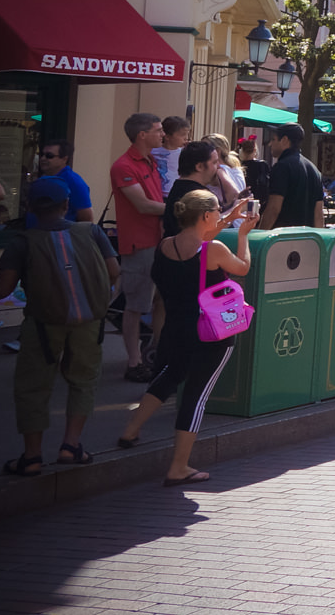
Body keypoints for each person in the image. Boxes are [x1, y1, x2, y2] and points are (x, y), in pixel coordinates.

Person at [114, 189, 258, 487]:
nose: (220, 214)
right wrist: (243, 235)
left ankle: (131, 430)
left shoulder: (165, 245)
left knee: (168, 377)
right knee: (196, 394)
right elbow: (242, 267)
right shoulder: (214, 250)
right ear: (206, 215)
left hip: (175, 327)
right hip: (210, 332)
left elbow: (198, 241)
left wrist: (230, 216)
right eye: (217, 210)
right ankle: (178, 467)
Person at [0, 179, 119, 476]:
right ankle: (71, 446)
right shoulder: (92, 231)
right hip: (89, 321)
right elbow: (113, 271)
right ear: (66, 205)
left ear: (29, 206)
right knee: (83, 380)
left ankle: (31, 457)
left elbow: (3, 288)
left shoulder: (23, 240)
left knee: (33, 387)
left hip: (42, 324)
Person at [109, 112, 168, 383]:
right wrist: (180, 209)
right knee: (135, 305)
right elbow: (142, 205)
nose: (162, 134)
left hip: (158, 240)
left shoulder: (151, 160)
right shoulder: (123, 166)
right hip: (139, 242)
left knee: (159, 300)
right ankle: (134, 363)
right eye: (158, 130)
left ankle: (157, 354)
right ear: (142, 135)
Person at [263, 124, 324, 230]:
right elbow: (318, 213)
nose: (270, 144)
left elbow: (273, 208)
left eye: (273, 139)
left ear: (284, 140)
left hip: (282, 237)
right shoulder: (314, 170)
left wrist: (260, 236)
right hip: (307, 239)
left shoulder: (282, 167)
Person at [32, 139, 93, 226]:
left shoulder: (73, 181)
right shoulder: (43, 179)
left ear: (64, 159)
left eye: (49, 156)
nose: (43, 158)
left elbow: (86, 218)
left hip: (62, 237)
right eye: (42, 155)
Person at [151, 115, 190, 191]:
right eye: (182, 135)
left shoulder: (184, 153)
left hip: (175, 191)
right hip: (158, 191)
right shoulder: (153, 151)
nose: (186, 138)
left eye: (187, 134)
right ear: (167, 136)